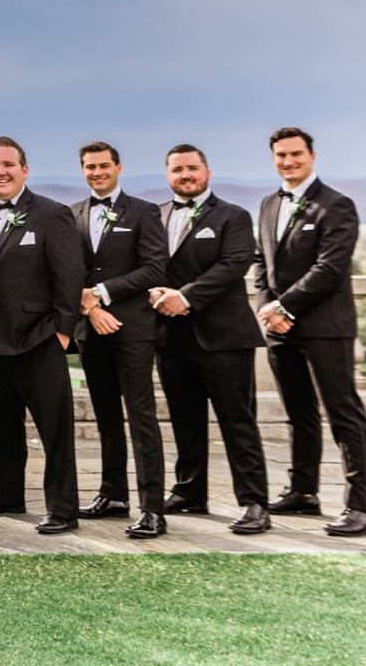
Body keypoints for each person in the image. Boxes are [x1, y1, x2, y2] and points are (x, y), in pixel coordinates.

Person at [256, 126, 366, 536]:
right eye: (281, 155)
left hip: (326, 326)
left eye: (296, 154)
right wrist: (267, 309)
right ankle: (303, 492)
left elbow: (330, 268)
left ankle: (362, 508)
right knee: (299, 413)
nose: (288, 161)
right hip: (280, 329)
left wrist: (284, 306)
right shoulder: (268, 204)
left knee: (344, 413)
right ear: (273, 159)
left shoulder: (336, 205)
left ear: (311, 156)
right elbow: (261, 262)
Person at [148, 144, 270, 534]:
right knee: (185, 419)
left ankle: (254, 501)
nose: (185, 175)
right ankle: (190, 490)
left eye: (192, 168)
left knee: (238, 421)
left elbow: (234, 264)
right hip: (170, 336)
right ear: (168, 175)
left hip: (224, 338)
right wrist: (154, 292)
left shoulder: (233, 216)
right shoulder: (155, 215)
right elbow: (147, 264)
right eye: (177, 169)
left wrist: (185, 298)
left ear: (207, 172)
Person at [0, 136, 84, 534]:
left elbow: (70, 276)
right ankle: (6, 496)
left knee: (55, 430)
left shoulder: (52, 214)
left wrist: (62, 333)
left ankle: (63, 509)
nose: (0, 171)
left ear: (24, 170)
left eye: (8, 164)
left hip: (37, 339)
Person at [70, 141, 170, 539]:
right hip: (90, 330)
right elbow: (66, 269)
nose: (97, 172)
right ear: (83, 170)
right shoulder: (72, 214)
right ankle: (113, 494)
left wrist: (101, 293)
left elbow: (154, 268)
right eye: (90, 167)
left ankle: (153, 509)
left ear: (118, 167)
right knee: (106, 416)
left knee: (142, 418)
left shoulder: (144, 212)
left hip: (132, 330)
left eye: (103, 165)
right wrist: (90, 309)